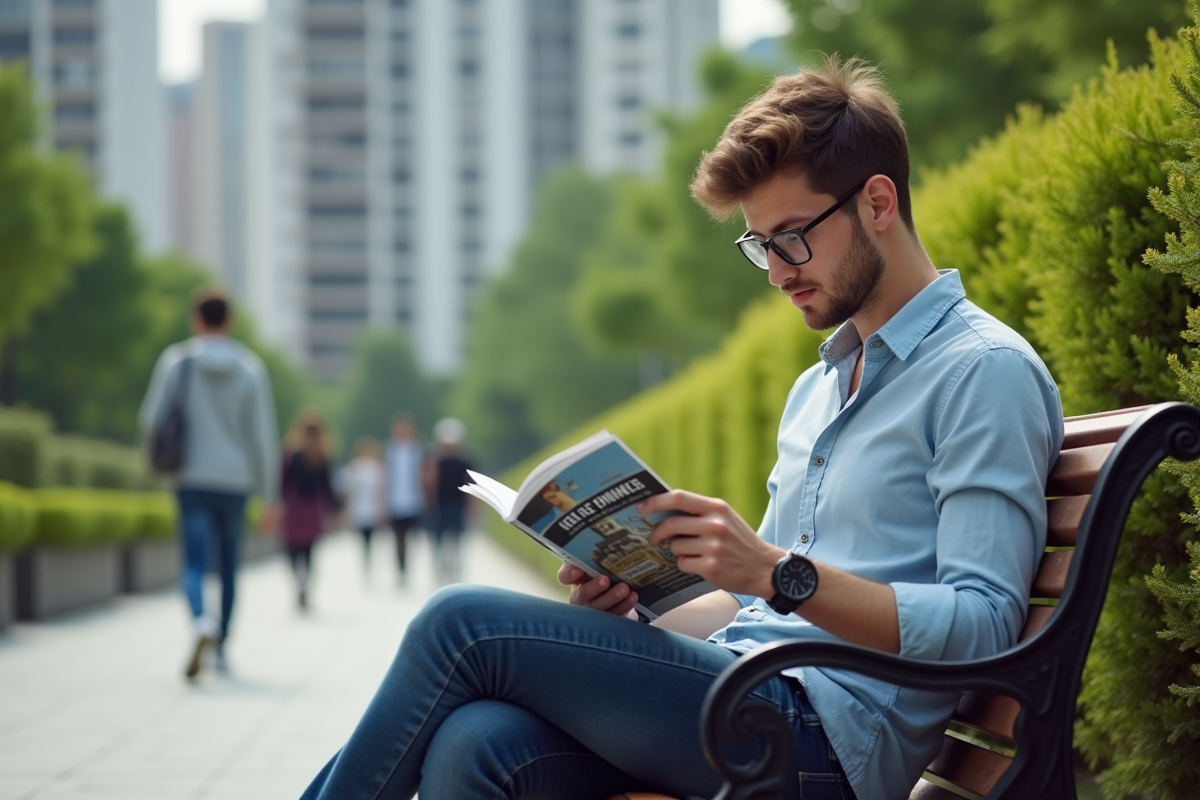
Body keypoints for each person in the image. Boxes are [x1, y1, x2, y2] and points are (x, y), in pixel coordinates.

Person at [297, 56, 1064, 800]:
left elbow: (988, 624)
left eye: (793, 235)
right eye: (760, 245)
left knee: (458, 623)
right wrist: (636, 601)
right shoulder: (816, 388)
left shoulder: (982, 371)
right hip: (745, 697)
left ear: (878, 203)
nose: (776, 270)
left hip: (822, 746)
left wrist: (774, 570)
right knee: (479, 742)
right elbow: (753, 612)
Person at [138, 286, 279, 681]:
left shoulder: (177, 361)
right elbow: (263, 438)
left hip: (192, 478)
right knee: (230, 566)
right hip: (236, 482)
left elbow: (151, 420)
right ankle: (221, 649)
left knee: (195, 562)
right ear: (229, 321)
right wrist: (270, 495)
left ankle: (202, 619)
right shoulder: (251, 368)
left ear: (196, 319)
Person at [280, 410, 340, 611]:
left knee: (293, 550)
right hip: (311, 507)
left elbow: (282, 483)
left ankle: (300, 584)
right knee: (308, 552)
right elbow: (328, 487)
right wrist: (336, 509)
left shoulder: (292, 454)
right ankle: (303, 585)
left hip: (296, 506)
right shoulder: (320, 456)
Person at [425, 417, 475, 584]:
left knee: (456, 541)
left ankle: (455, 570)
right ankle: (440, 570)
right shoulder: (435, 462)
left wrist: (471, 509)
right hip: (440, 506)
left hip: (456, 506)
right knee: (438, 541)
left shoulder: (465, 462)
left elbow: (470, 487)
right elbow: (429, 485)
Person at [384, 412, 425, 585]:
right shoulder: (390, 450)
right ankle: (401, 570)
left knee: (412, 538)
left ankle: (407, 568)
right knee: (398, 539)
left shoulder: (418, 450)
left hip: (413, 500)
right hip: (394, 501)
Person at [342, 436, 387, 575]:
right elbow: (350, 491)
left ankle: (368, 561)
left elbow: (380, 491)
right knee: (364, 538)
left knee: (369, 537)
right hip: (360, 509)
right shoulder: (355, 467)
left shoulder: (375, 468)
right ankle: (366, 561)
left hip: (371, 509)